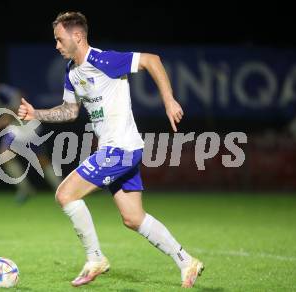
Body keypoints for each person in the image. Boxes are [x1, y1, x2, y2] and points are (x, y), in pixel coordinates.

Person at [17, 11, 204, 288]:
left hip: (120, 148)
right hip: (121, 149)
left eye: (59, 39)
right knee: (133, 218)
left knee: (65, 194)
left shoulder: (102, 60)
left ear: (77, 36)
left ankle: (95, 259)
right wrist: (36, 114)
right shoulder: (72, 73)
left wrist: (168, 100)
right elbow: (70, 111)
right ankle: (186, 261)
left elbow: (152, 60)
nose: (56, 45)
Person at [0, 69, 61, 203]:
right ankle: (32, 189)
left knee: (39, 160)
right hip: (19, 127)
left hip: (26, 127)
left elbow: (19, 104)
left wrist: (2, 122)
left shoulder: (3, 92)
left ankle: (39, 189)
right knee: (38, 160)